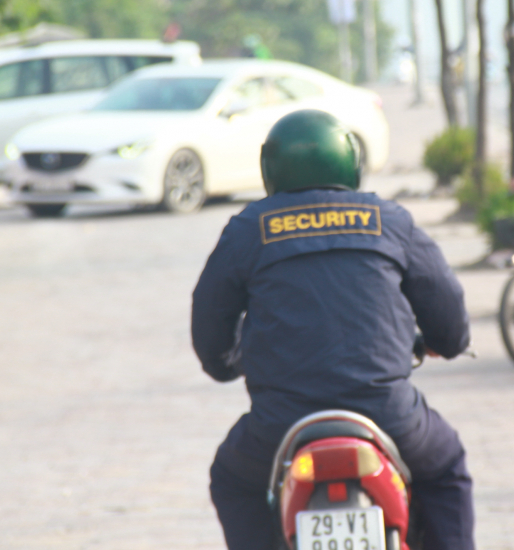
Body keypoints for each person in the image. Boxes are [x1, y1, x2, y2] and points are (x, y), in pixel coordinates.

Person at [191, 110, 475, 550]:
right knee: (446, 468)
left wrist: (226, 363)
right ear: (351, 162)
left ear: (270, 168)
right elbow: (448, 308)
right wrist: (444, 343)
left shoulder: (249, 229)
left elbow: (209, 321)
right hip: (390, 416)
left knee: (232, 479)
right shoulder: (390, 220)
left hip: (280, 425)